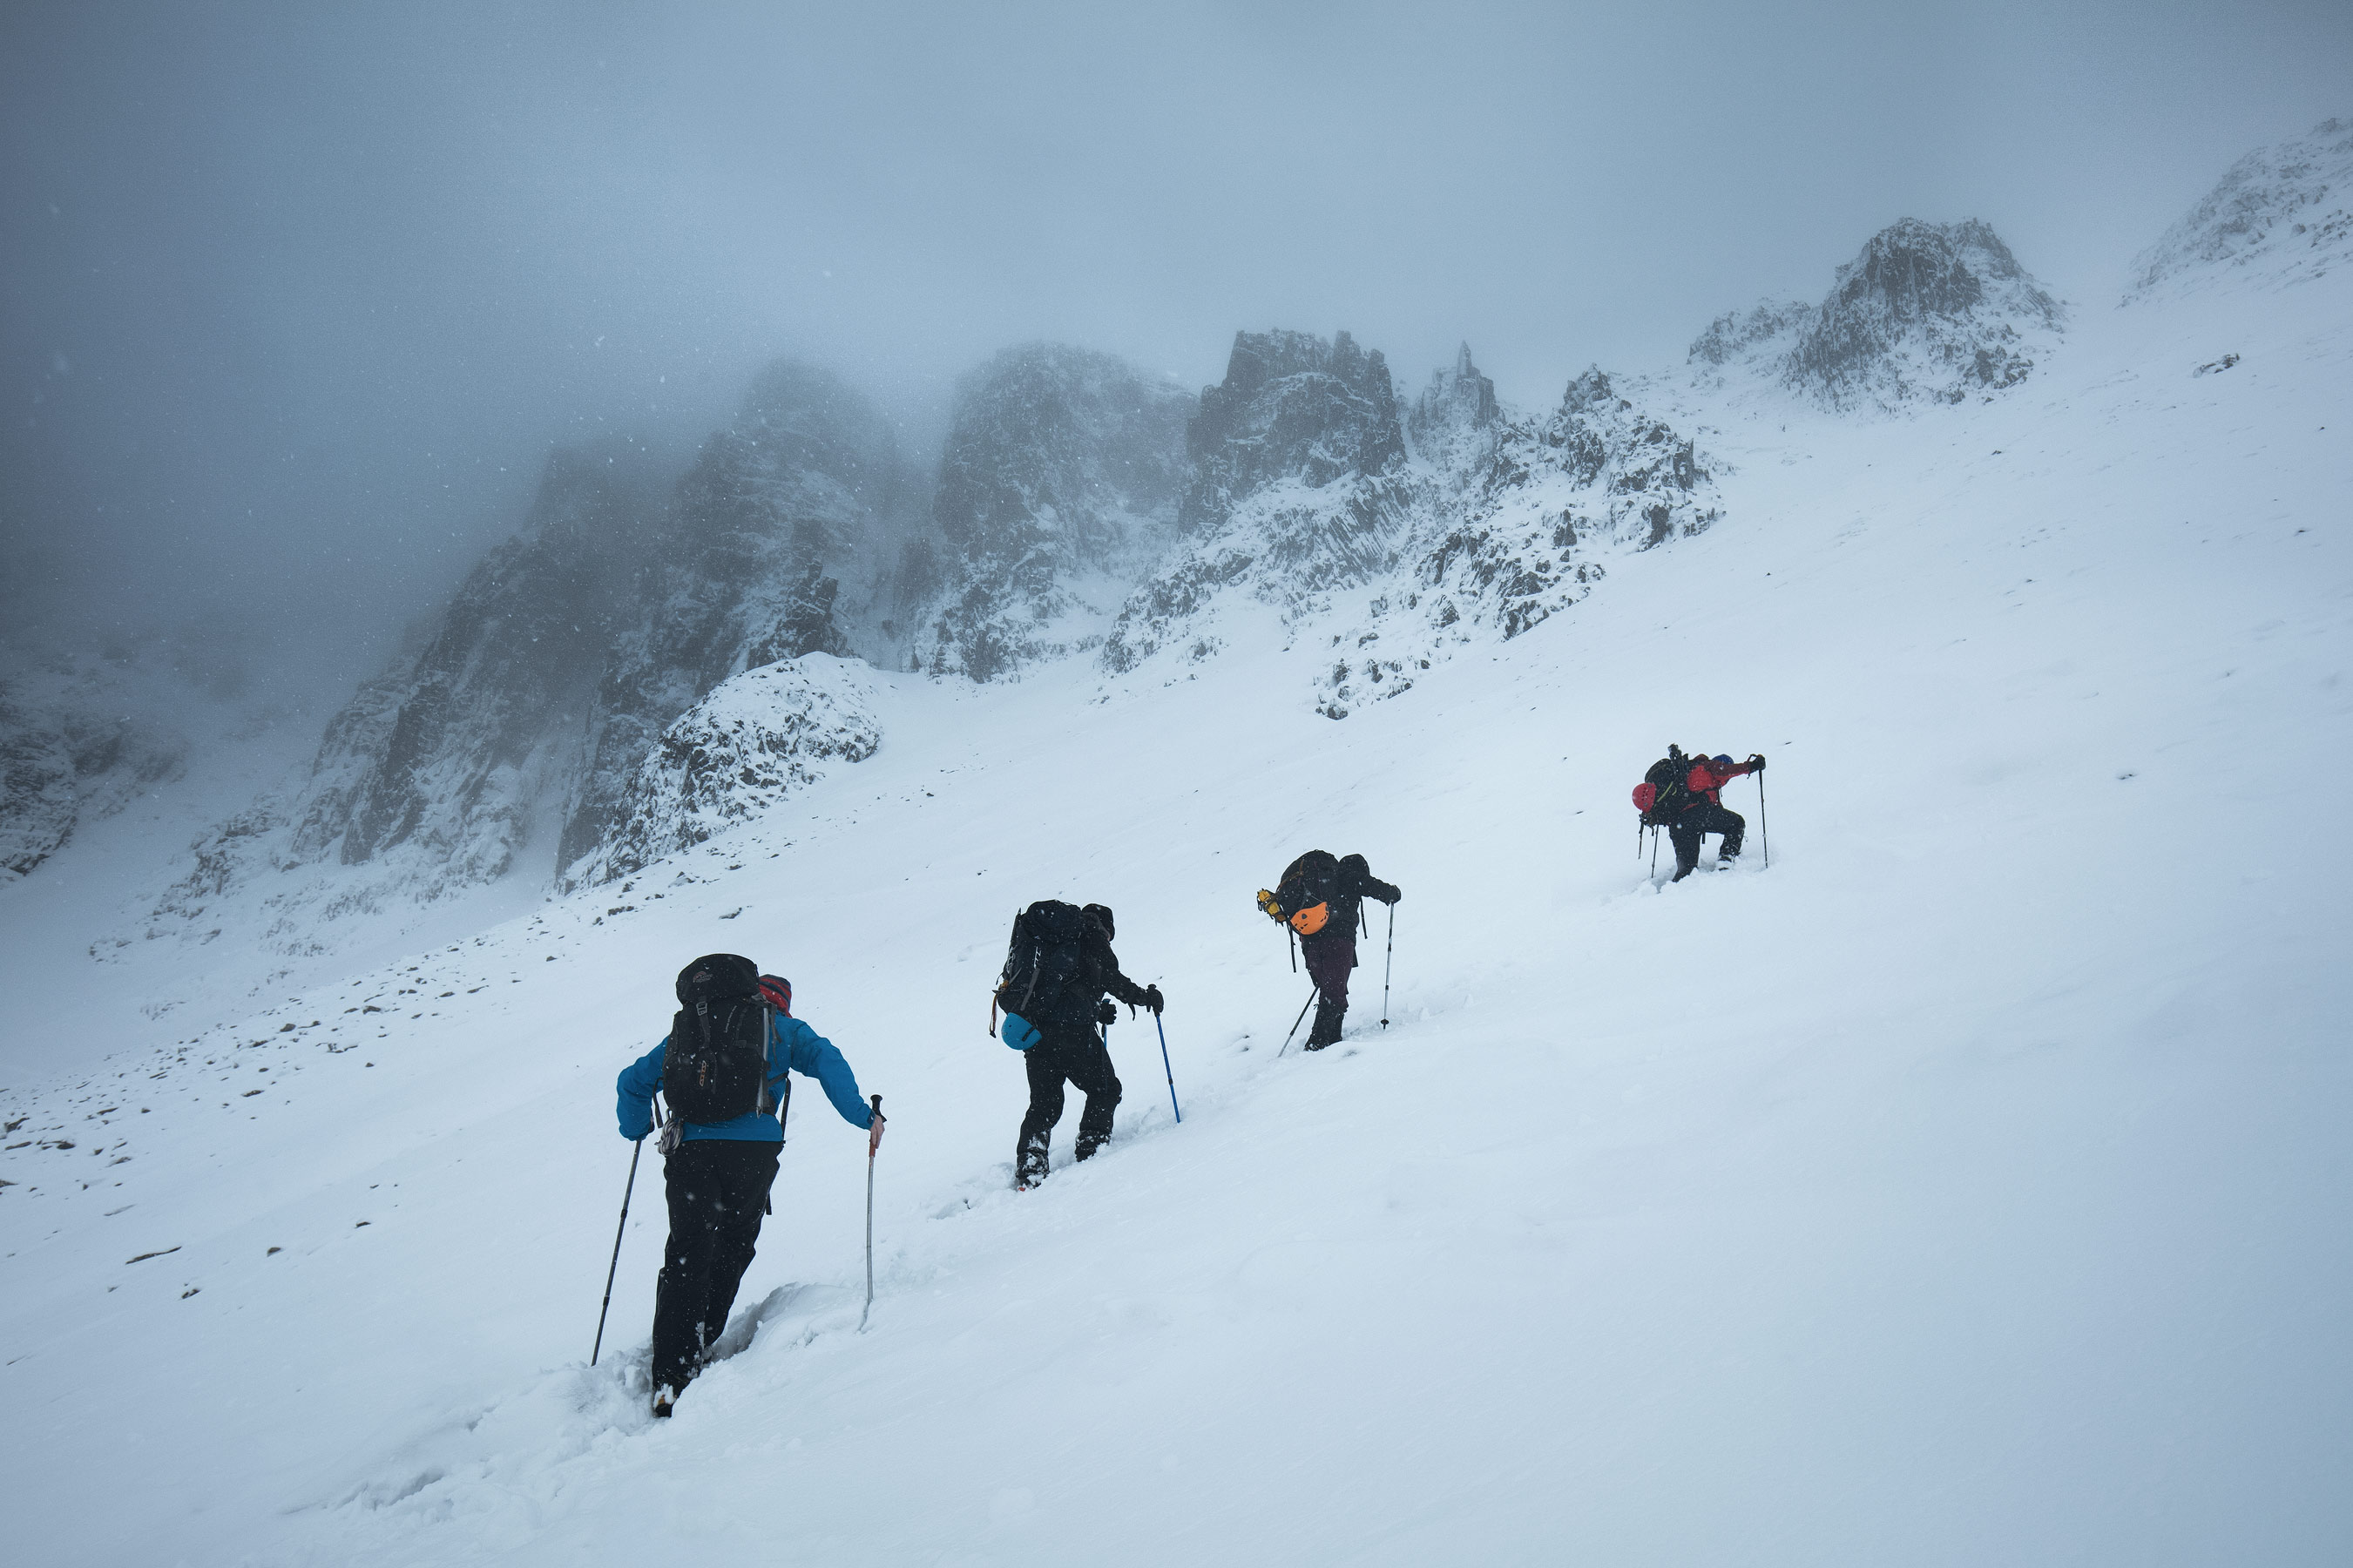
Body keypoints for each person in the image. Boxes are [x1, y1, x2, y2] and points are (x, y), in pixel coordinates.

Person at [615, 956, 878, 1417]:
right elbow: (826, 1058)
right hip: (751, 1155)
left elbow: (632, 1082)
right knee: (734, 1245)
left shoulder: (688, 1032)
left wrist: (636, 1129)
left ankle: (671, 1375)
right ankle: (703, 1338)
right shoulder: (779, 1029)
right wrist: (863, 1115)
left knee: (686, 1251)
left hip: (690, 1152)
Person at [1004, 902, 1162, 1190]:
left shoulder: (1054, 941)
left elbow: (1067, 984)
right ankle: (1092, 1148)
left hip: (1036, 1032)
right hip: (1074, 1033)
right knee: (1105, 1089)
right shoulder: (1091, 932)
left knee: (1044, 1103)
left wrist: (1095, 1010)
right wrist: (1144, 997)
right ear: (1107, 927)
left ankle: (1031, 1163)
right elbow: (1111, 978)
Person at [1297, 853, 1401, 1051]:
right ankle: (1316, 1046)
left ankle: (1332, 1041)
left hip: (1310, 945)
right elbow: (1370, 885)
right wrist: (1392, 893)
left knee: (1332, 991)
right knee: (1333, 994)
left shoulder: (1321, 887)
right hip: (1336, 942)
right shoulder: (1348, 876)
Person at [1668, 751, 1765, 882]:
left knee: (1687, 870)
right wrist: (1751, 766)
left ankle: (1670, 895)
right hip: (1698, 815)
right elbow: (1727, 770)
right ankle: (1726, 860)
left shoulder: (1690, 772)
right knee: (1736, 823)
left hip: (1678, 824)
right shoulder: (1711, 766)